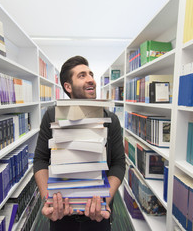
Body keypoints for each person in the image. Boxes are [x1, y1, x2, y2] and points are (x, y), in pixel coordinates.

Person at [33, 55, 125, 231]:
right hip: (61, 215)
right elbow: (40, 160)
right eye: (82, 75)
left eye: (91, 74)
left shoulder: (110, 119)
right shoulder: (52, 117)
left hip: (98, 216)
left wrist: (104, 200)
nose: (91, 79)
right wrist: (50, 200)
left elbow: (119, 164)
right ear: (68, 86)